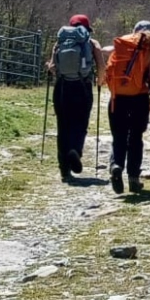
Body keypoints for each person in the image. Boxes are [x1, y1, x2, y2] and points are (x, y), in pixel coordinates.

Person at [104, 19, 150, 195]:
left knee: (119, 136)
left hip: (117, 98)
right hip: (139, 99)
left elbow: (106, 55)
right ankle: (134, 178)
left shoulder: (122, 44)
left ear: (134, 31)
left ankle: (116, 165)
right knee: (136, 137)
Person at [47, 14, 101, 181]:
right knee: (80, 122)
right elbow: (102, 69)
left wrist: (51, 68)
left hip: (62, 87)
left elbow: (52, 67)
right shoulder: (92, 43)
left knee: (63, 126)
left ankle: (64, 169)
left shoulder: (59, 42)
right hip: (82, 87)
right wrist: (100, 80)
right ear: (87, 28)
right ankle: (75, 150)